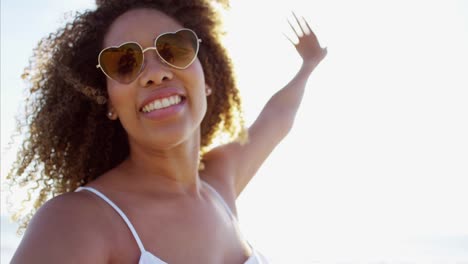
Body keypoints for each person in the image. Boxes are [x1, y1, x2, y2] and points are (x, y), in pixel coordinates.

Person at [8, 0, 327, 263]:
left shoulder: (221, 180)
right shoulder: (76, 222)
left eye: (174, 49)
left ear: (208, 79)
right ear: (109, 103)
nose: (155, 73)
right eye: (125, 62)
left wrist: (310, 64)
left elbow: (278, 116)